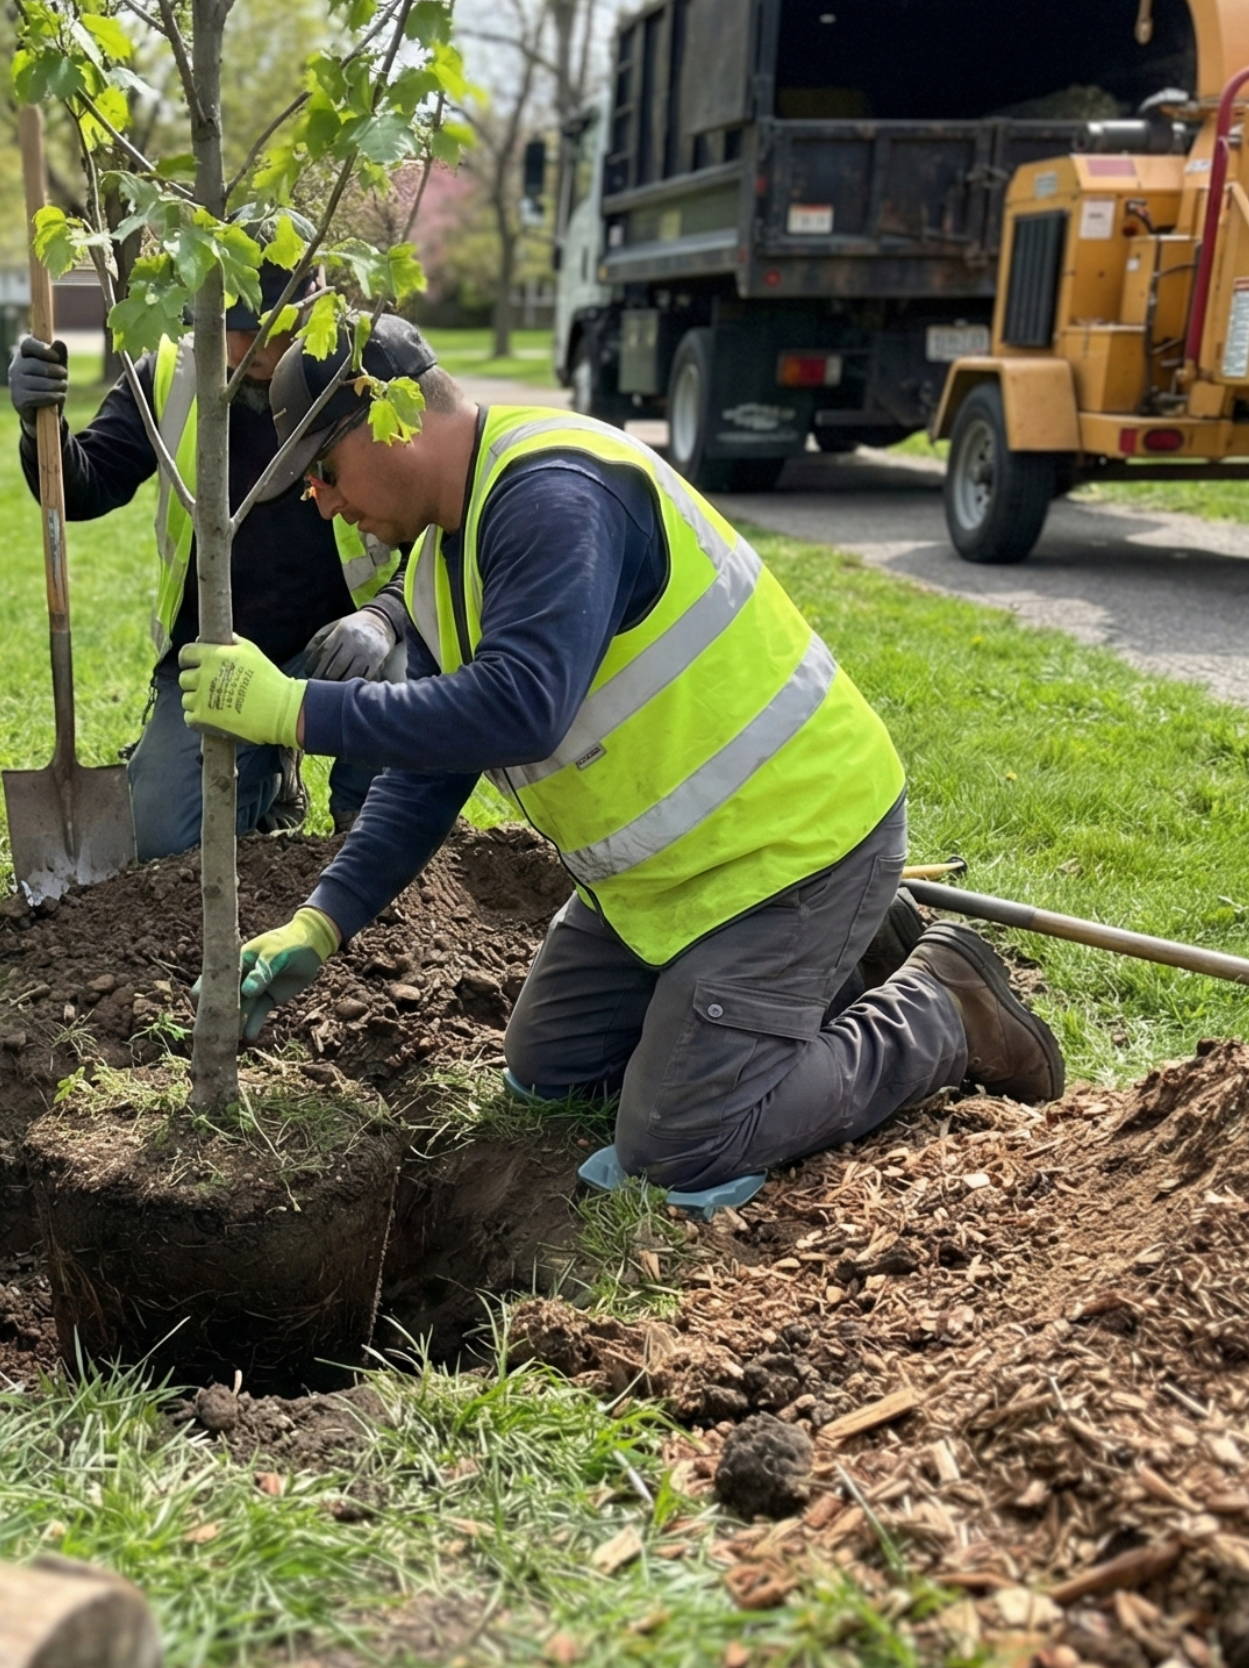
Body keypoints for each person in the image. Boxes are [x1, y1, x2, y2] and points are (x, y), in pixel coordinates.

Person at [176, 315, 1064, 1194]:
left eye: (324, 472)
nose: (325, 502)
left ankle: (947, 1006)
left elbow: (520, 706)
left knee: (683, 1143)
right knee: (547, 1071)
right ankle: (847, 957)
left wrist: (296, 711)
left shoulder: (554, 492)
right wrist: (321, 922)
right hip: (670, 883)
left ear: (393, 415)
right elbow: (434, 765)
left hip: (792, 850)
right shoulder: (437, 560)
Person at [9, 265, 410, 858]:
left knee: (399, 724)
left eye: (271, 328)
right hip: (218, 656)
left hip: (345, 648)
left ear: (315, 308)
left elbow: (439, 528)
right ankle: (269, 779)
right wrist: (39, 420)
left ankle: (362, 830)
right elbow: (85, 487)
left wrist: (385, 616)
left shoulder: (369, 370)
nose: (248, 350)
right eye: (231, 328)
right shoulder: (171, 377)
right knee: (162, 841)